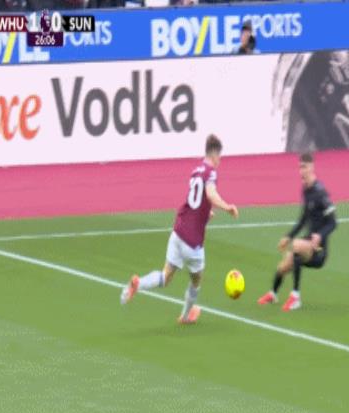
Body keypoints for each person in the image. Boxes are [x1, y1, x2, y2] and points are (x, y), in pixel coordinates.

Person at [120, 134, 239, 324]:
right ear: (215, 154)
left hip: (178, 232)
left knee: (166, 276)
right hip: (192, 243)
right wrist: (227, 207)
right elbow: (210, 194)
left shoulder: (196, 170)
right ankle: (185, 316)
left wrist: (205, 213)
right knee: (196, 281)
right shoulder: (211, 173)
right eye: (220, 156)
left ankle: (139, 283)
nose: (220, 161)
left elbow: (195, 200)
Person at [258, 152, 337, 311]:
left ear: (312, 168)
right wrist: (288, 236)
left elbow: (333, 222)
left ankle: (295, 297)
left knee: (296, 246)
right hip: (307, 245)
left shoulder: (321, 193)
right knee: (283, 266)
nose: (301, 171)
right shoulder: (306, 190)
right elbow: (303, 220)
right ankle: (273, 294)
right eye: (300, 167)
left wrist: (320, 235)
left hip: (319, 250)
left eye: (304, 167)